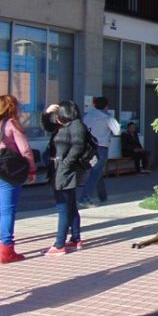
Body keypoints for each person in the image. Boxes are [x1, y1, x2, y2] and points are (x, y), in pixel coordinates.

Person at [0, 95, 36, 263]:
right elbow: (26, 150)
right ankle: (6, 251)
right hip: (5, 171)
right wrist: (32, 170)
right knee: (7, 211)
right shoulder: (11, 124)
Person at [41, 100, 88, 255]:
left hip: (65, 172)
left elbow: (78, 147)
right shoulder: (63, 126)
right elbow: (47, 126)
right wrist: (47, 113)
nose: (57, 116)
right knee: (71, 206)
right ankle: (75, 238)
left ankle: (59, 244)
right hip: (59, 170)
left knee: (63, 207)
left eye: (59, 112)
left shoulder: (76, 125)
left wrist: (65, 164)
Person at [80, 96, 120, 207]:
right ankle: (85, 198)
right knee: (95, 172)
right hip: (101, 147)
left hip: (88, 147)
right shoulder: (107, 117)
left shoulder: (87, 116)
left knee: (96, 171)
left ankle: (103, 196)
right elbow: (117, 131)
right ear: (106, 106)